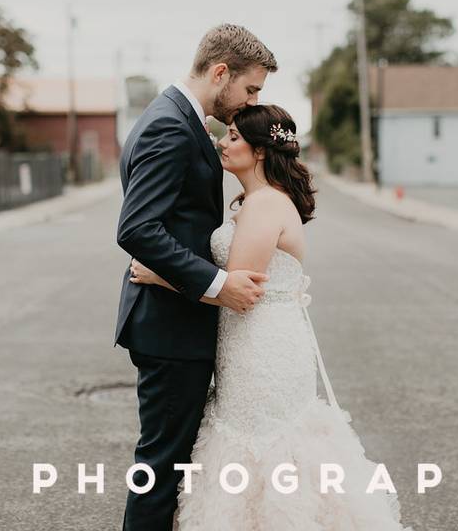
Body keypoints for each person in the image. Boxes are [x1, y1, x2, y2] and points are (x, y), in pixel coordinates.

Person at [130, 104, 412, 530]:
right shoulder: (250, 202)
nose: (222, 143)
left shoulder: (265, 205)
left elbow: (237, 292)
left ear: (260, 151)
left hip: (264, 348)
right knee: (251, 452)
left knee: (266, 449)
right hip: (247, 342)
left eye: (234, 137)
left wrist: (159, 274)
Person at [114, 23, 278, 530]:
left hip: (174, 321)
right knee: (161, 470)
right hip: (169, 328)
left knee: (170, 466)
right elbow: (138, 227)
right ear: (220, 72)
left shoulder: (180, 119)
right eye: (250, 89)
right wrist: (217, 285)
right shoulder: (170, 125)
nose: (251, 102)